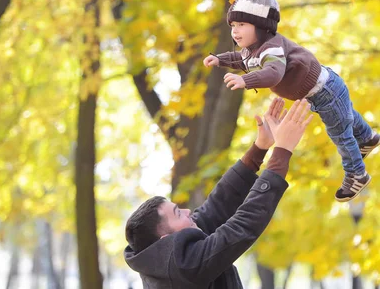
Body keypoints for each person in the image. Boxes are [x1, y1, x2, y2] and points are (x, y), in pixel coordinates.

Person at [203, 0, 380, 202]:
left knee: (341, 133)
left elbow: (274, 73)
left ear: (261, 26)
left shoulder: (272, 49)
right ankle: (368, 138)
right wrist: (219, 59)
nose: (235, 32)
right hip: (323, 89)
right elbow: (240, 60)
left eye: (242, 25)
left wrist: (245, 81)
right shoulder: (252, 50)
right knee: (346, 116)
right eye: (233, 26)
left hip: (325, 91)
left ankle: (357, 174)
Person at [124, 97, 313, 289]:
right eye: (178, 213)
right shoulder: (184, 268)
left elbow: (217, 204)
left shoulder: (170, 256)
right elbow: (242, 226)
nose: (188, 212)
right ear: (166, 242)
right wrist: (282, 151)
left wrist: (260, 147)